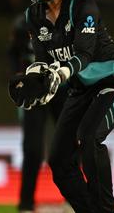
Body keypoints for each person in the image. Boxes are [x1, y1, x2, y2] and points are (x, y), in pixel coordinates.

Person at [8, 0, 114, 213]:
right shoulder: (33, 16)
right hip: (80, 89)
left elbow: (85, 54)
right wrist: (38, 77)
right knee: (58, 161)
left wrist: (62, 73)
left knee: (89, 139)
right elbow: (43, 59)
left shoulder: (82, 5)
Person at [8, 14, 69, 213]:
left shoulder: (66, 22)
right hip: (33, 91)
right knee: (32, 149)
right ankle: (26, 204)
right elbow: (13, 56)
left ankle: (75, 199)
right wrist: (19, 83)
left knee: (69, 145)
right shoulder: (21, 24)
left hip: (61, 88)